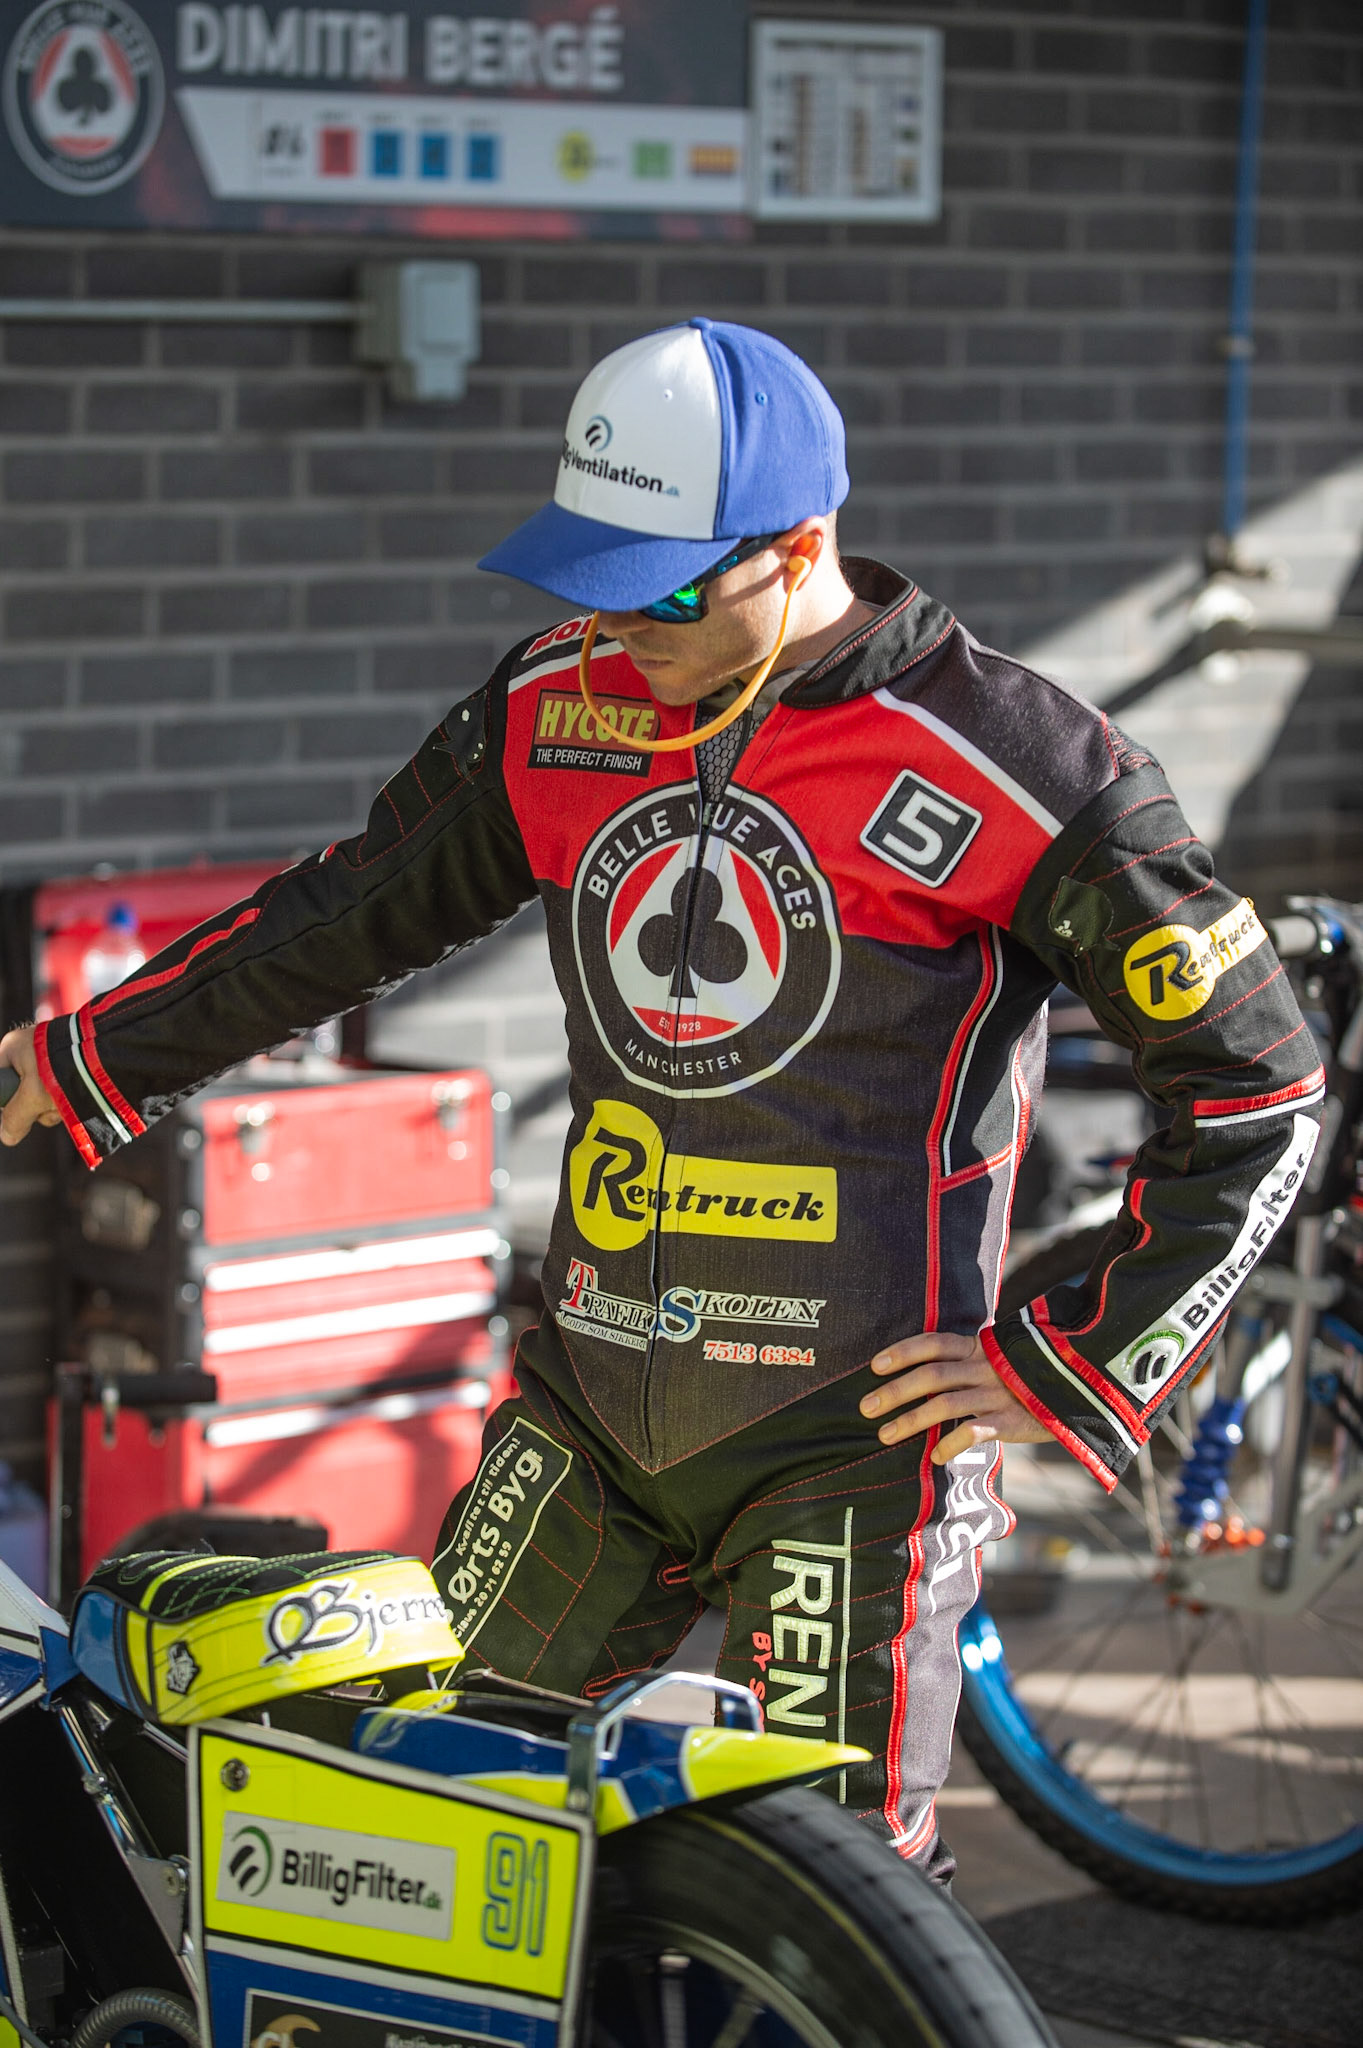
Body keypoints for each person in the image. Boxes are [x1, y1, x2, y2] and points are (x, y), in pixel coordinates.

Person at [0, 318, 1323, 1883]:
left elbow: (1263, 1091)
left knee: (850, 1911)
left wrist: (1071, 1366)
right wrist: (91, 1053)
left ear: (804, 544)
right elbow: (344, 913)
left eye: (670, 583)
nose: (619, 620)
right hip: (590, 1416)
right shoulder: (556, 705)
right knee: (430, 1834)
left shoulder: (1022, 761)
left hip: (852, 1448)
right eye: (592, 568)